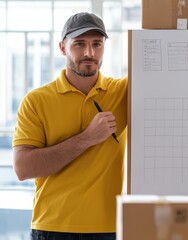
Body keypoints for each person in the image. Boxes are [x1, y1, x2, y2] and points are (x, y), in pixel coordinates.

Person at [12, 12, 127, 240]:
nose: (89, 53)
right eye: (79, 44)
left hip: (109, 228)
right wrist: (87, 138)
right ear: (63, 47)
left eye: (97, 44)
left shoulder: (123, 92)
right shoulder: (36, 101)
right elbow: (23, 168)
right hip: (53, 228)